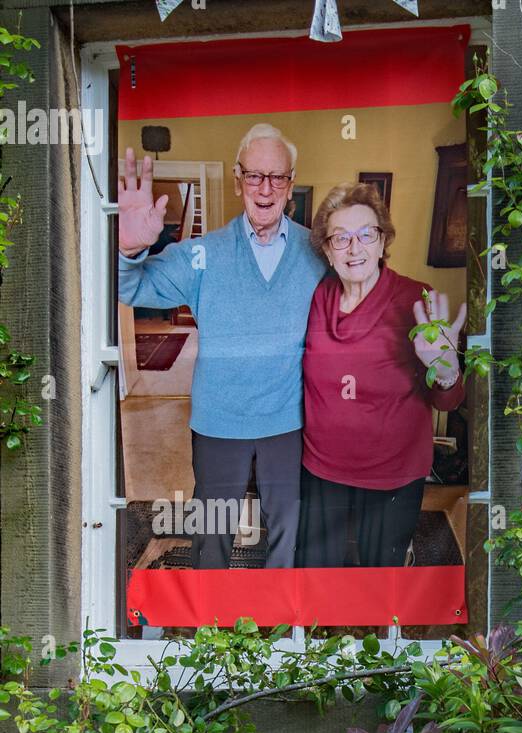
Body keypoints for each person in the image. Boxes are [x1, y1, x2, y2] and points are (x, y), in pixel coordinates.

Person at [117, 125, 325, 568]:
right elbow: (128, 287)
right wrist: (129, 246)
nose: (265, 189)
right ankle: (207, 628)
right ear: (237, 181)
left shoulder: (315, 252)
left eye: (277, 177)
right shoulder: (203, 254)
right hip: (218, 423)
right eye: (254, 176)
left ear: (290, 183)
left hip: (288, 421)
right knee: (211, 534)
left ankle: (281, 628)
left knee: (288, 534)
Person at [296, 182, 466, 569]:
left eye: (366, 235)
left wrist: (444, 368)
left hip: (392, 474)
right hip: (321, 469)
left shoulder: (415, 299)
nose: (354, 248)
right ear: (326, 249)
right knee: (317, 573)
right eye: (341, 238)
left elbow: (449, 400)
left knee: (381, 578)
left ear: (383, 240)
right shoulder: (317, 298)